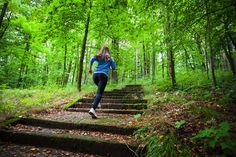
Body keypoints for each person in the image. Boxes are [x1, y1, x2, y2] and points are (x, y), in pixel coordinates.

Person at [88, 46, 116, 118]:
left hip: (95, 75)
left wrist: (90, 68)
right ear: (108, 51)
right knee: (99, 93)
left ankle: (97, 102)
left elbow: (92, 59)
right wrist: (110, 60)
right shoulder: (110, 58)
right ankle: (93, 109)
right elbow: (114, 68)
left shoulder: (99, 56)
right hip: (103, 75)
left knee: (99, 91)